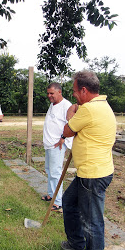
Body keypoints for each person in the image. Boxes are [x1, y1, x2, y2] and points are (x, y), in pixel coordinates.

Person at [56, 70, 116, 250]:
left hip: (93, 174)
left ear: (83, 89)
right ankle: (76, 243)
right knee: (69, 202)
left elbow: (66, 131)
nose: (73, 95)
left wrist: (70, 113)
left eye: (74, 91)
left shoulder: (88, 110)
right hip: (92, 171)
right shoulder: (102, 105)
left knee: (92, 222)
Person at [42, 82, 73, 211]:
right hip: (49, 144)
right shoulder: (52, 104)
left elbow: (71, 125)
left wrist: (63, 139)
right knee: (49, 170)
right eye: (48, 93)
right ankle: (51, 194)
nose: (49, 96)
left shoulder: (67, 106)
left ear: (59, 92)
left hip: (57, 145)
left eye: (52, 93)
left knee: (55, 173)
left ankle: (58, 201)